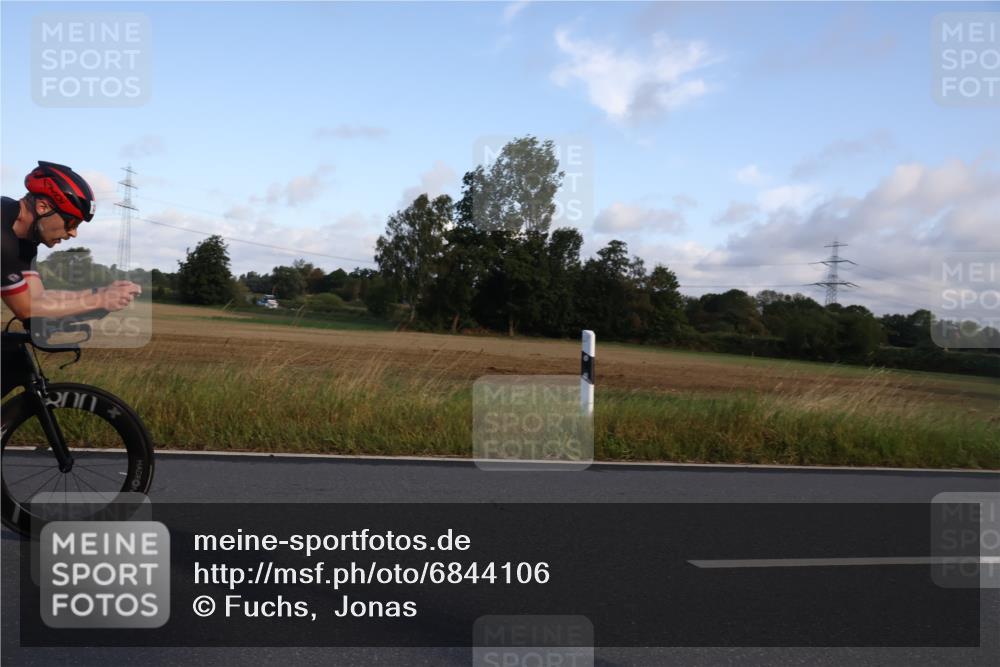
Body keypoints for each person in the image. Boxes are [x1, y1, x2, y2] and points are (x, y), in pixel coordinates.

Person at [2, 161, 141, 396]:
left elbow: (39, 299)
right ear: (44, 207)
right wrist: (100, 300)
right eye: (71, 222)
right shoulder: (3, 233)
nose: (73, 233)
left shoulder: (24, 240)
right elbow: (27, 309)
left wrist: (98, 294)